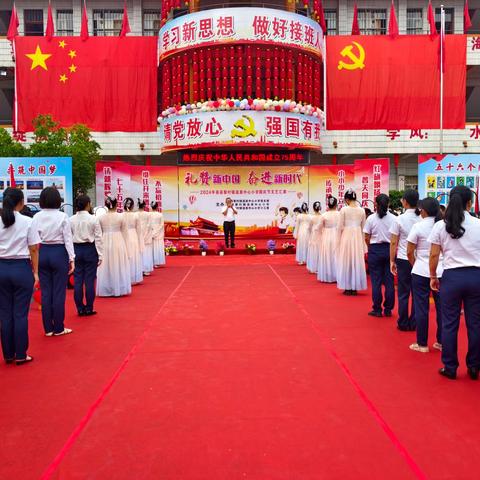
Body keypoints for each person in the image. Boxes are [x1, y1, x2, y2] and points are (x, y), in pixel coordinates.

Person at [429, 186, 480, 380]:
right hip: (476, 277)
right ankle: (474, 366)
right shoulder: (478, 224)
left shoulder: (441, 226)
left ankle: (450, 367)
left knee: (449, 324)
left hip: (451, 277)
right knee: (475, 324)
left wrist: (433, 276)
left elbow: (434, 255)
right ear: (470, 203)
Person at [0, 188, 40, 365]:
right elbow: (33, 248)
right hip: (21, 268)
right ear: (21, 202)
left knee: (5, 314)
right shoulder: (27, 221)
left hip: (1, 268)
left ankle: (8, 354)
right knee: (20, 314)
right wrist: (36, 271)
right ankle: (21, 354)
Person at [32, 187, 74, 337]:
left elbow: (33, 240)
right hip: (58, 253)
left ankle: (48, 328)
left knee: (46, 292)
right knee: (58, 292)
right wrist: (72, 258)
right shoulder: (63, 216)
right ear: (58, 199)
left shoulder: (36, 217)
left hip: (43, 253)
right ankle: (59, 328)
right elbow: (68, 239)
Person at [407, 197, 443, 353]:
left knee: (421, 308)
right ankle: (441, 342)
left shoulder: (418, 226)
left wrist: (416, 264)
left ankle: (422, 344)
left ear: (424, 210)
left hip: (421, 270)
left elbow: (409, 251)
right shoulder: (443, 226)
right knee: (442, 308)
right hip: (441, 270)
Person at [389, 190, 421, 331]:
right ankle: (414, 322)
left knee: (403, 293)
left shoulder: (399, 219)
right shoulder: (422, 219)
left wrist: (392, 260)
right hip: (418, 260)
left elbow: (394, 242)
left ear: (405, 202)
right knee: (417, 293)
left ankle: (402, 322)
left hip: (403, 259)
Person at [70, 195, 103, 317]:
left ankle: (79, 308)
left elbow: (68, 238)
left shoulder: (71, 219)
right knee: (89, 280)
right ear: (88, 204)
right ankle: (89, 307)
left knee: (78, 280)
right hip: (90, 249)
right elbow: (98, 238)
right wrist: (100, 255)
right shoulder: (93, 219)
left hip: (76, 249)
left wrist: (70, 255)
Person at [363, 194, 395, 317]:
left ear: (375, 204)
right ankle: (388, 309)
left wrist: (371, 247)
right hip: (388, 250)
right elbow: (395, 237)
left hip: (375, 249)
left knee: (376, 282)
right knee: (389, 281)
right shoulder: (394, 218)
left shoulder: (371, 219)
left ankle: (377, 309)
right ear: (388, 204)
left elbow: (366, 236)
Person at [97, 197, 132, 297]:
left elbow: (99, 235)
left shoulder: (100, 217)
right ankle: (119, 287)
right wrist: (127, 249)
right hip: (118, 242)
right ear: (116, 204)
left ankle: (106, 288)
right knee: (118, 263)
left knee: (106, 265)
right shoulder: (121, 217)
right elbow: (125, 234)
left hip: (105, 241)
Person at [336, 189, 367, 295]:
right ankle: (355, 287)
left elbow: (339, 227)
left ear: (347, 199)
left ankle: (348, 287)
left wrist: (338, 240)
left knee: (347, 260)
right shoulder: (362, 210)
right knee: (356, 260)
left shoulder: (344, 210)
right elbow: (364, 227)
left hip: (347, 236)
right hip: (358, 236)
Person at [317, 196, 340, 283]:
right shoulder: (339, 214)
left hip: (326, 235)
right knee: (336, 254)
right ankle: (337, 275)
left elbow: (318, 228)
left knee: (327, 254)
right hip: (336, 235)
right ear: (336, 205)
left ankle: (327, 275)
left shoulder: (324, 215)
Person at [123, 197, 143, 285]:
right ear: (133, 206)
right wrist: (140, 242)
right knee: (134, 255)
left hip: (124, 236)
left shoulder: (120, 215)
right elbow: (139, 230)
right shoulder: (136, 215)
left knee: (126, 256)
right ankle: (134, 277)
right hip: (134, 235)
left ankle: (126, 277)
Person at [137, 199, 154, 276]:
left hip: (138, 234)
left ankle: (139, 269)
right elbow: (149, 225)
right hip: (146, 235)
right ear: (144, 206)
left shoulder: (135, 214)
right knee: (146, 252)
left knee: (139, 252)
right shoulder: (148, 214)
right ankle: (146, 269)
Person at [306, 201, 322, 273]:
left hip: (313, 234)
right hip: (321, 234)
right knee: (320, 250)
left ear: (313, 208)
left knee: (313, 250)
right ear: (320, 208)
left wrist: (310, 234)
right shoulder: (323, 216)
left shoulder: (312, 218)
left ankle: (313, 267)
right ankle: (320, 267)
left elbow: (309, 228)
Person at [151, 201, 166, 267]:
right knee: (158, 247)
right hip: (158, 232)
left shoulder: (149, 214)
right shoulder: (160, 215)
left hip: (152, 231)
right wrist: (157, 232)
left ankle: (152, 261)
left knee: (152, 247)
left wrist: (153, 232)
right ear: (157, 207)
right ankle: (157, 261)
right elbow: (162, 225)